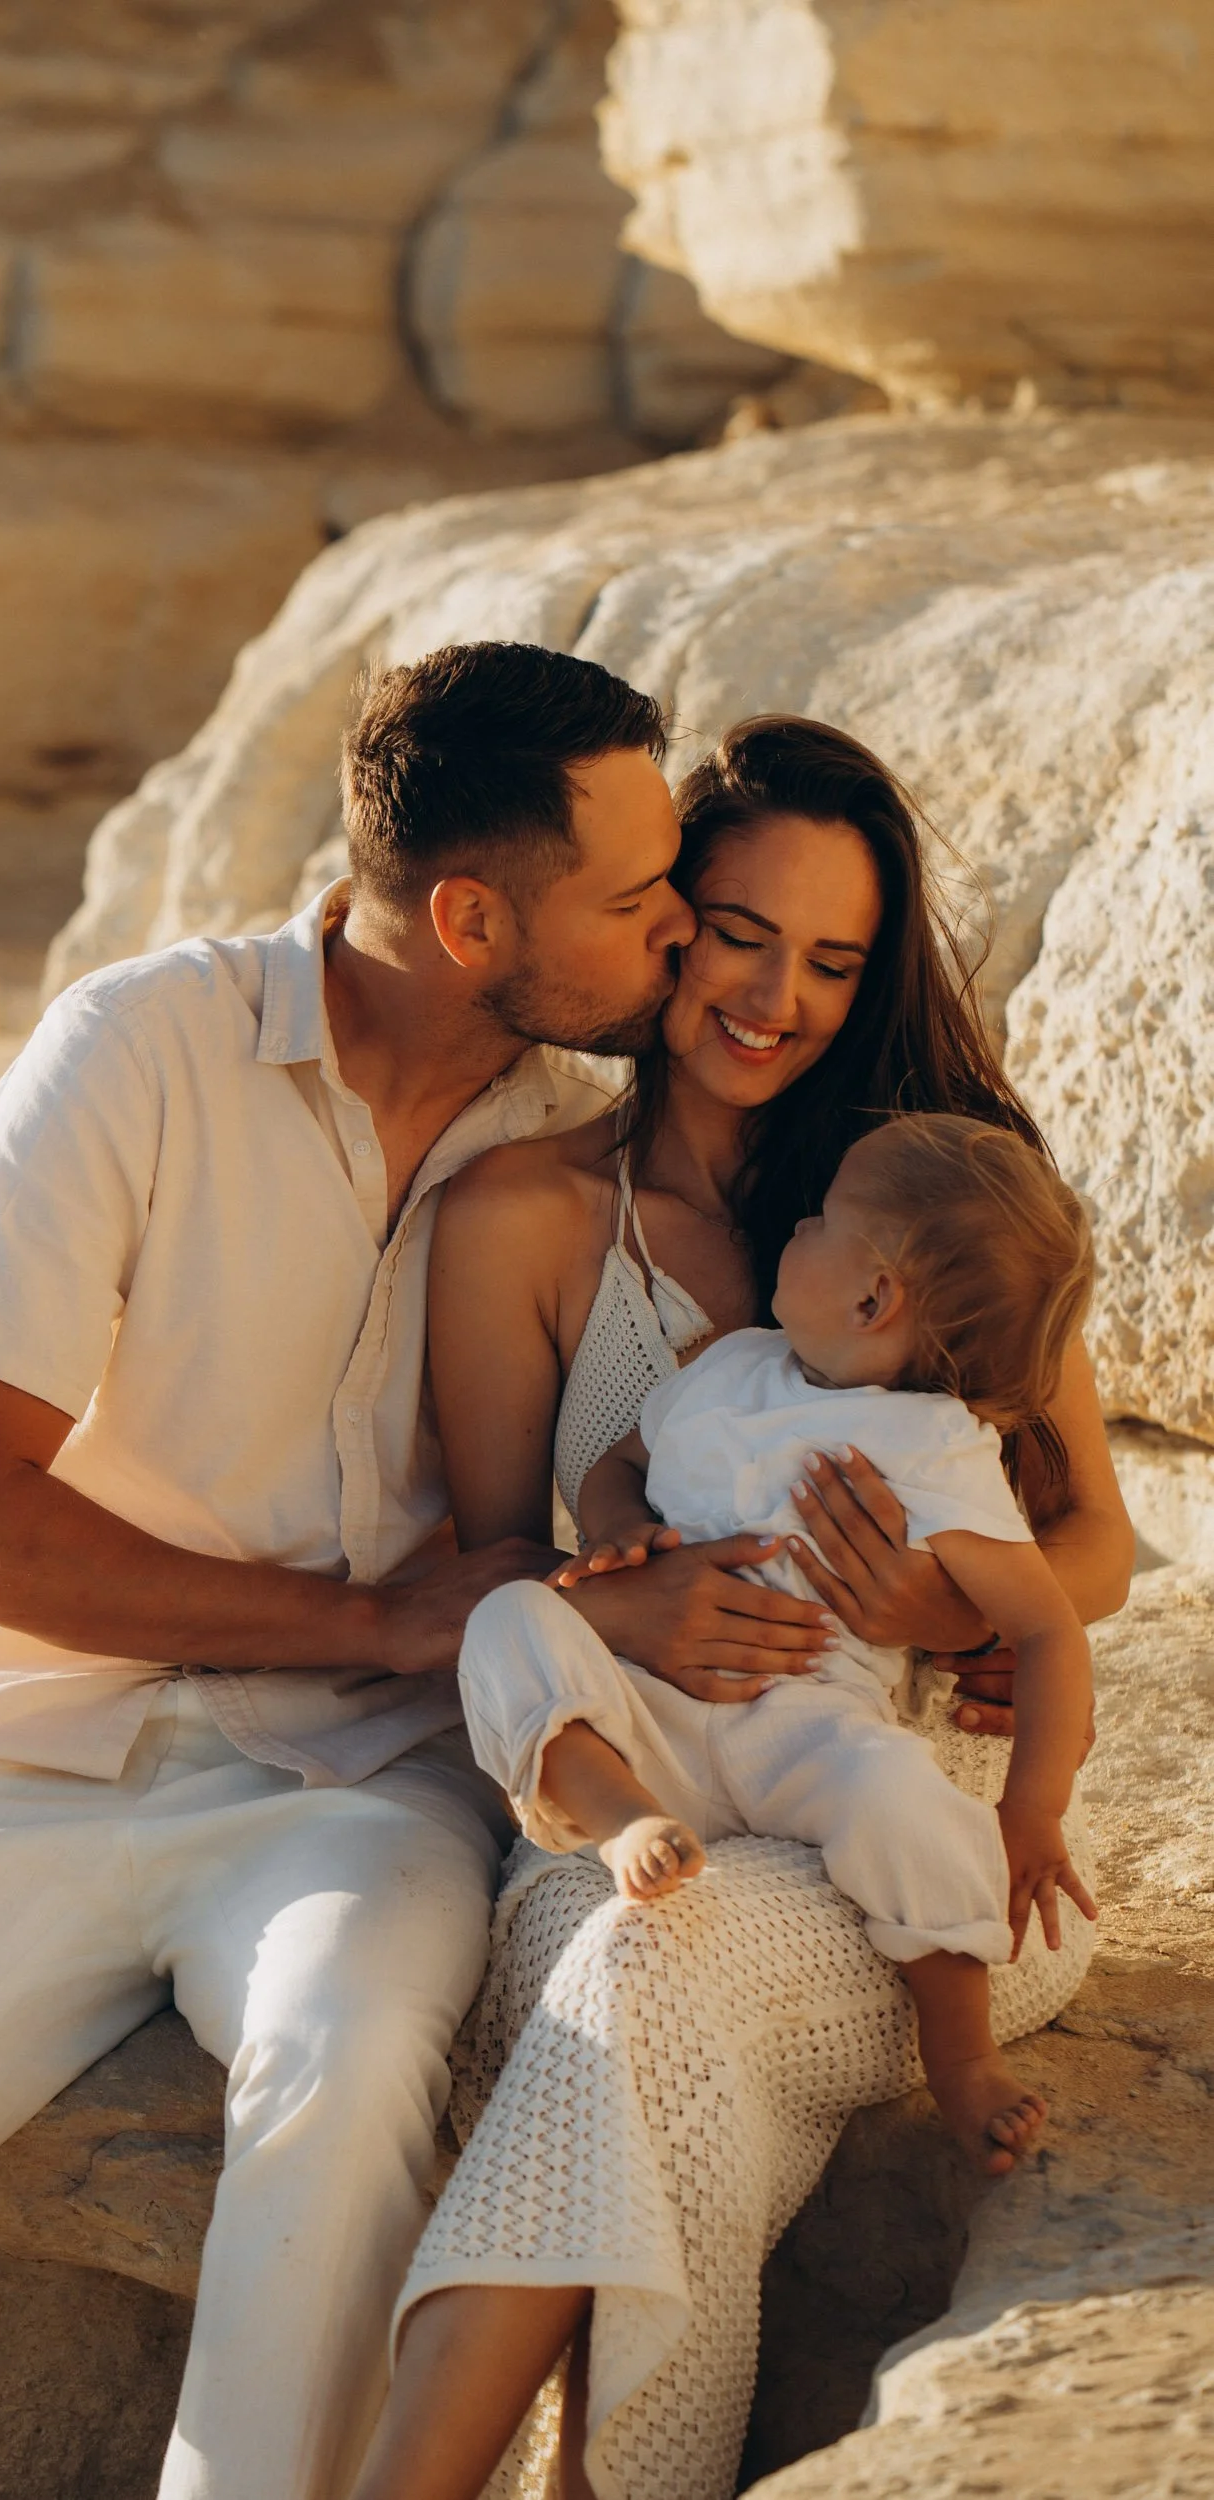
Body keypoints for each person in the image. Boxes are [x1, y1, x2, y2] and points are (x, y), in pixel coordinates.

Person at [0, 641, 761, 2500]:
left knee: (343, 2090)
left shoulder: (586, 1143)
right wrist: (365, 1618)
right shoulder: (139, 1046)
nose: (677, 927)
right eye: (632, 895)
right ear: (466, 920)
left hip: (363, 1795)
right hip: (24, 1759)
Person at [351, 716, 1134, 2500]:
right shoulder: (523, 1211)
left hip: (910, 1839)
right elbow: (500, 1565)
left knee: (657, 1983)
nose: (776, 998)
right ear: (660, 922)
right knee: (637, 1956)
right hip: (623, 1796)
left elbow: (1090, 1545)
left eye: (833, 961)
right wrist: (623, 1611)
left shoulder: (931, 1200)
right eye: (737, 933)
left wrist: (935, 1612)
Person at [460, 1112, 1100, 2175]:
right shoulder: (729, 1367)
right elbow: (617, 1464)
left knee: (903, 1795)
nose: (794, 1227)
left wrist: (1030, 1811)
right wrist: (617, 1534)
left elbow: (1045, 1628)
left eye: (820, 1221)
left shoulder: (931, 1443)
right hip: (651, 1714)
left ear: (872, 1298)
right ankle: (620, 1821)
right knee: (506, 1618)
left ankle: (960, 2057)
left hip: (809, 1731)